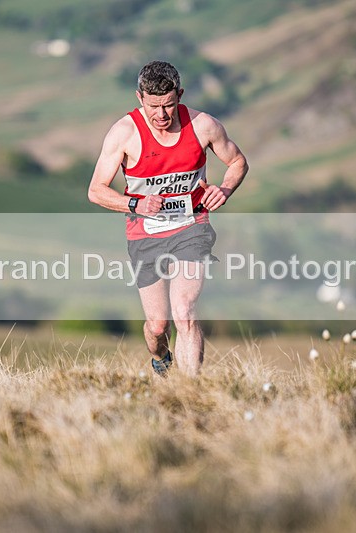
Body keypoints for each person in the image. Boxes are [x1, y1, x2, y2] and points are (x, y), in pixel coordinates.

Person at [88, 61, 248, 377]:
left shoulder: (203, 126)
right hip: (145, 236)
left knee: (185, 311)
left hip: (192, 227)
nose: (162, 114)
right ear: (139, 98)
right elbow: (95, 191)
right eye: (153, 106)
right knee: (158, 325)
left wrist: (226, 189)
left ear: (180, 96)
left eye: (169, 105)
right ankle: (161, 358)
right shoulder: (124, 133)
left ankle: (190, 392)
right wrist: (135, 203)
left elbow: (238, 161)